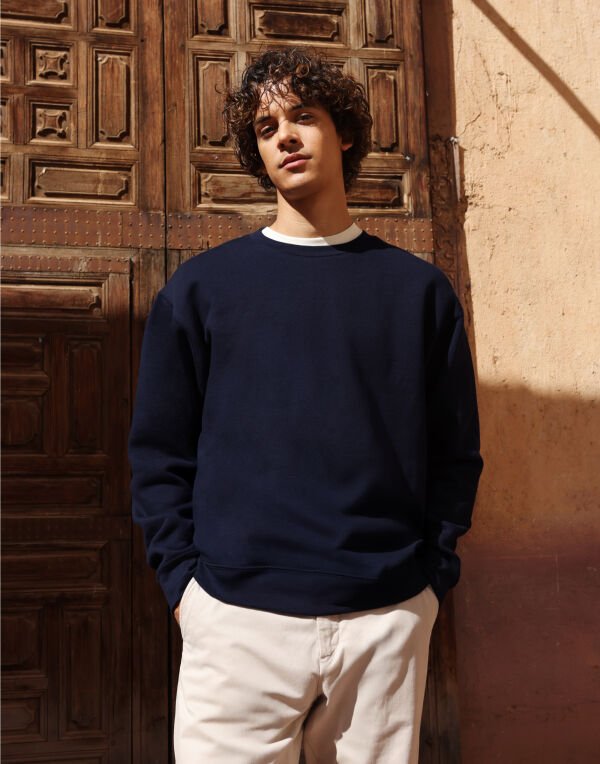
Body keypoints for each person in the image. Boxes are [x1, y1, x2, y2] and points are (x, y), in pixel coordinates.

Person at [128, 46, 483, 763]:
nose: (285, 136)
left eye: (303, 117)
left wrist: (428, 586)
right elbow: (160, 453)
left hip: (384, 618)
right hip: (236, 620)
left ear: (343, 133)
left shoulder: (417, 292)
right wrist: (187, 590)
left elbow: (455, 451)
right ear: (257, 153)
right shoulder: (201, 290)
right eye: (266, 128)